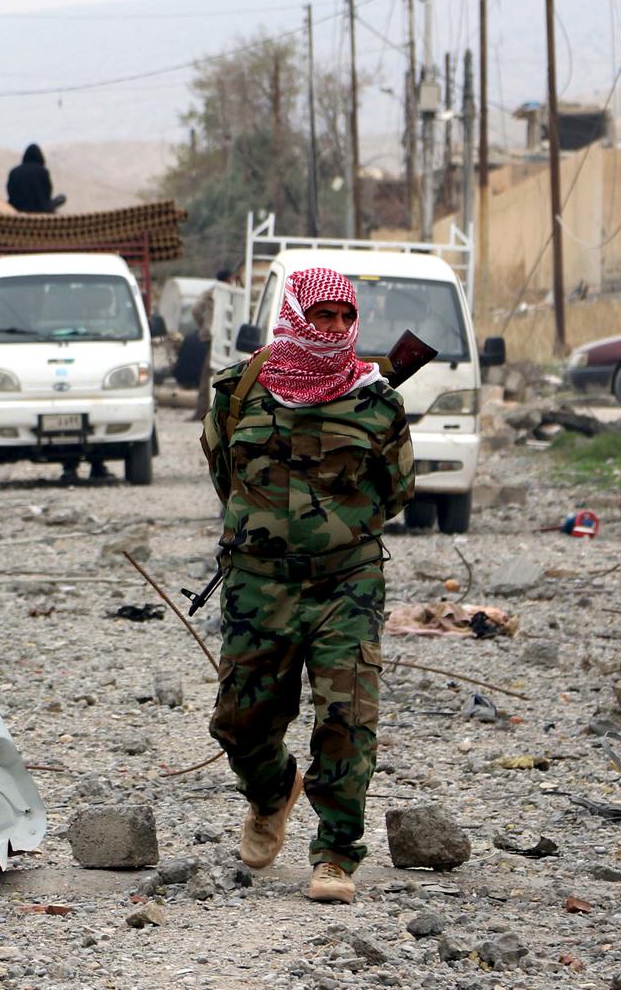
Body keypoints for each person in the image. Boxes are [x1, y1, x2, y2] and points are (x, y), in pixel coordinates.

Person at [199, 267, 415, 904]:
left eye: (347, 318)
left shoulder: (377, 401)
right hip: (256, 585)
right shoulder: (239, 391)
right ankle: (271, 794)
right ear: (296, 315)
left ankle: (336, 855)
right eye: (323, 316)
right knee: (239, 723)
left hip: (345, 584)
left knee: (348, 720)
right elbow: (223, 474)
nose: (337, 329)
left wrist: (335, 530)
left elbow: (398, 490)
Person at [188, 267, 236, 421]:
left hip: (212, 336)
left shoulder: (211, 292)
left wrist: (204, 327)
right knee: (211, 372)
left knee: (208, 373)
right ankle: (205, 411)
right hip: (224, 337)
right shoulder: (231, 293)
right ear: (229, 279)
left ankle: (203, 410)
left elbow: (195, 310)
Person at [7, 144, 54, 213]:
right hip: (41, 210)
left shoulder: (14, 171)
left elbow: (10, 191)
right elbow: (47, 192)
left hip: (17, 210)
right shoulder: (43, 171)